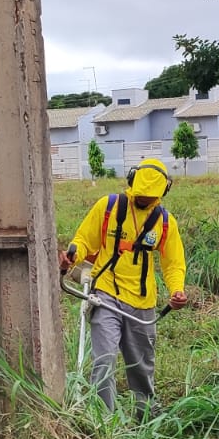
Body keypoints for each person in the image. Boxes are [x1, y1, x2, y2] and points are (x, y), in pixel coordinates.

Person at [60, 157, 188, 412]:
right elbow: (84, 240)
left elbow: (173, 263)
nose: (143, 200)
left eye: (149, 197)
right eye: (140, 195)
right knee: (104, 360)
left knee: (141, 365)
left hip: (142, 301)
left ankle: (145, 413)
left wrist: (177, 290)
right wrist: (73, 256)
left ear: (162, 193)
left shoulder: (164, 223)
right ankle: (104, 420)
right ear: (131, 183)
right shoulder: (108, 207)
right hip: (105, 294)